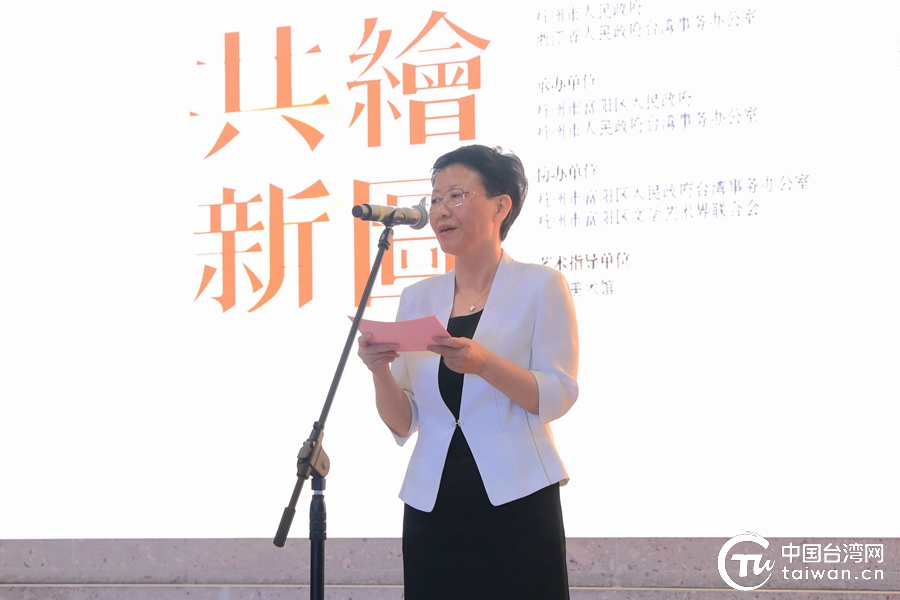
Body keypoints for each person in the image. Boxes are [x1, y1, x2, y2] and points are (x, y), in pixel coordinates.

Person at [357, 144, 579, 600]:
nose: (440, 210)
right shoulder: (417, 298)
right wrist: (380, 371)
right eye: (435, 199)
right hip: (433, 502)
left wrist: (483, 364)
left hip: (517, 498)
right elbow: (404, 420)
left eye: (456, 196)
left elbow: (557, 394)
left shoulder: (541, 285)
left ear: (501, 206)